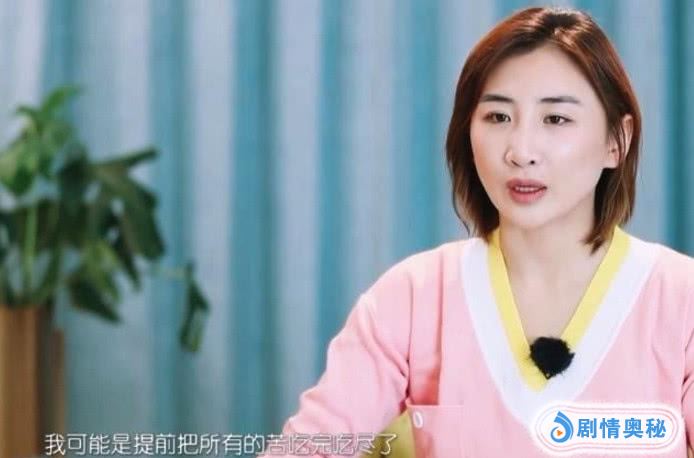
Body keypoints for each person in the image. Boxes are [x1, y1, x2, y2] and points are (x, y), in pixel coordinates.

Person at [262, 6, 694, 457]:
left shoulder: (681, 301)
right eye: (498, 117)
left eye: (556, 119)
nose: (521, 151)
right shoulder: (412, 297)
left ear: (616, 142)